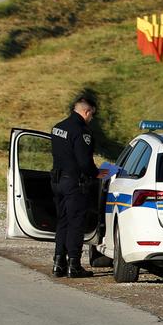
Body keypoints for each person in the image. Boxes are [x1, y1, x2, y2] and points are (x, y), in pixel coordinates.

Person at [50, 92, 100, 278]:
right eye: (92, 115)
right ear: (86, 113)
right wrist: (96, 173)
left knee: (62, 222)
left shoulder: (58, 128)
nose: (91, 119)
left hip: (57, 181)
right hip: (74, 183)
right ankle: (74, 265)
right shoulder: (81, 132)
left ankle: (58, 262)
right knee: (75, 223)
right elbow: (84, 162)